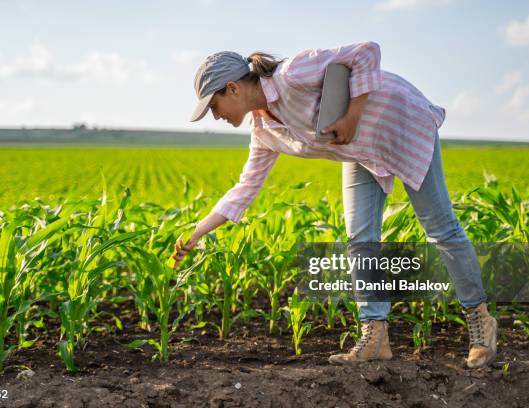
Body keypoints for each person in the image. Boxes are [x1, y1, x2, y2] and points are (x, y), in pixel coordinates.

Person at [172, 42, 497, 368]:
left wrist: (353, 115)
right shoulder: (264, 130)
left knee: (439, 227)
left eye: (214, 105)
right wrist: (197, 232)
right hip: (361, 151)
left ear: (233, 88)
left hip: (399, 122)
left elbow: (366, 52)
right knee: (360, 240)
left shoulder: (292, 73)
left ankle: (480, 321)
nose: (215, 115)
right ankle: (376, 337)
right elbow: (245, 188)